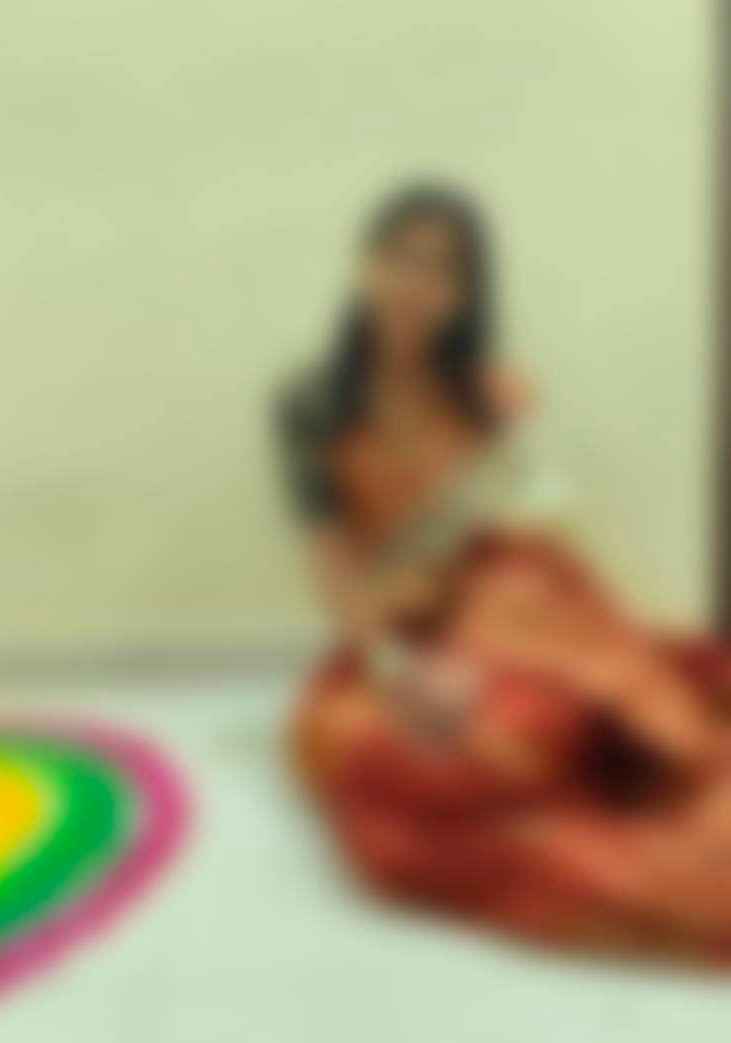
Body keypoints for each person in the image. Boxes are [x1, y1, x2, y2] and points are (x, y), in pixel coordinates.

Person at [276, 183, 731, 964]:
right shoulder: (312, 406)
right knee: (387, 764)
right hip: (398, 629)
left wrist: (520, 628)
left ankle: (615, 748)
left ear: (464, 294)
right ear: (364, 265)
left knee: (611, 718)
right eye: (400, 257)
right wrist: (400, 669)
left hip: (513, 601)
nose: (415, 283)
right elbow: (339, 582)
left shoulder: (491, 393)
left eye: (441, 269)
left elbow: (532, 519)